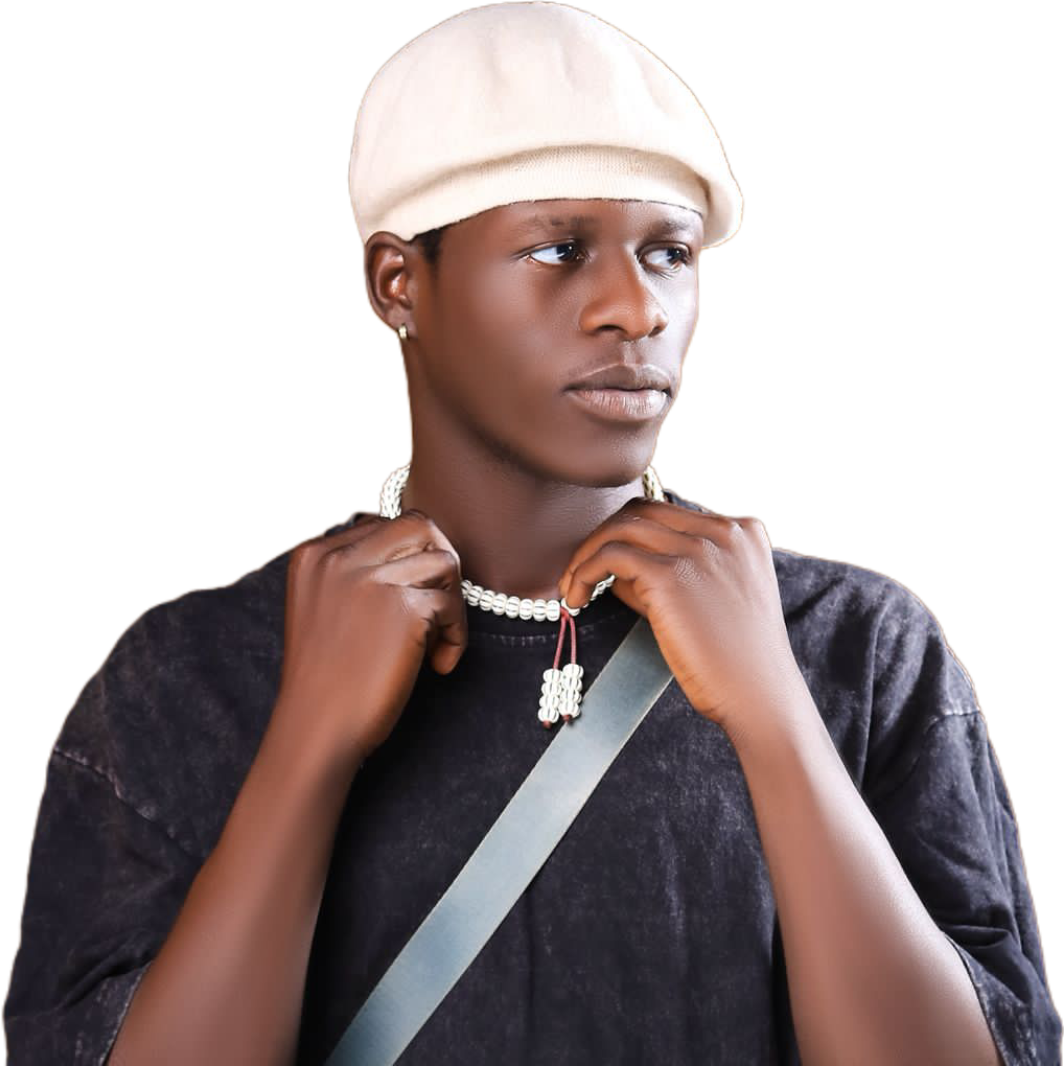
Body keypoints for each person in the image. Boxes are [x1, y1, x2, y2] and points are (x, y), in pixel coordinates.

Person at [4, 3, 1060, 1065]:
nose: (636, 309)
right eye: (559, 248)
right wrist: (304, 746)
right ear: (397, 282)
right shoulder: (187, 675)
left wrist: (777, 714)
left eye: (668, 253)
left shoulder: (858, 646)